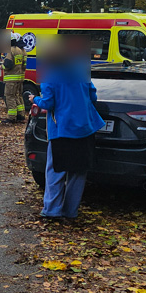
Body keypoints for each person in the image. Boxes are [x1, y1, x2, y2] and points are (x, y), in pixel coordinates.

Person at [28, 40, 104, 221]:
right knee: (78, 171)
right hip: (85, 127)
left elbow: (48, 103)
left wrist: (34, 99)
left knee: (56, 169)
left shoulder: (50, 75)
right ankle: (71, 211)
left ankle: (52, 210)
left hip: (62, 129)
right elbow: (93, 96)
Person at [1, 36, 28, 123]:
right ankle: (21, 114)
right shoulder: (20, 51)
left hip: (11, 78)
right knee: (18, 96)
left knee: (10, 96)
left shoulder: (11, 50)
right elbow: (23, 66)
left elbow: (8, 64)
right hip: (19, 77)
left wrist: (2, 66)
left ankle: (11, 117)